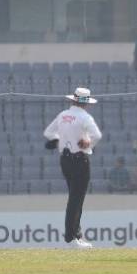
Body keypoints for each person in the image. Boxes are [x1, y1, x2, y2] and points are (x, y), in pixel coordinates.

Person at [43, 87, 103, 248]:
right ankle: (71, 237)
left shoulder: (63, 115)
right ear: (86, 103)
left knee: (74, 196)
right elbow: (97, 136)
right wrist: (89, 142)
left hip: (65, 159)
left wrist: (60, 140)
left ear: (73, 100)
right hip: (79, 159)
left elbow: (49, 132)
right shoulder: (84, 117)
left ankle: (76, 234)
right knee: (77, 199)